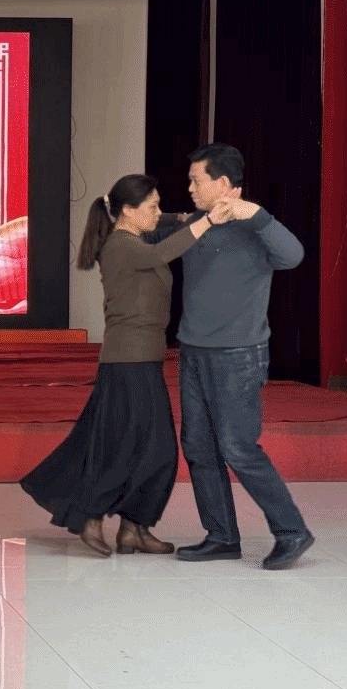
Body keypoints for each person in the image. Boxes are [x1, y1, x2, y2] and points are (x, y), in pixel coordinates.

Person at [20, 174, 231, 557]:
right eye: (152, 206)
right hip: (127, 361)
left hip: (142, 358)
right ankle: (92, 516)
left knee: (145, 448)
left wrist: (181, 215)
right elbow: (161, 254)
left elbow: (163, 228)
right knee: (146, 448)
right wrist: (207, 221)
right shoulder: (121, 245)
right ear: (128, 211)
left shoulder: (136, 236)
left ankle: (134, 529)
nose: (157, 212)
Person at [175, 143, 314, 571]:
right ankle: (221, 536)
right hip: (193, 351)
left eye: (196, 180)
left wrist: (256, 214)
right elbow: (163, 232)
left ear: (222, 183)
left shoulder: (257, 227)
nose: (190, 188)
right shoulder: (197, 222)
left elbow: (293, 256)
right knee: (198, 447)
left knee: (237, 446)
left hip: (238, 355)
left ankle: (292, 532)